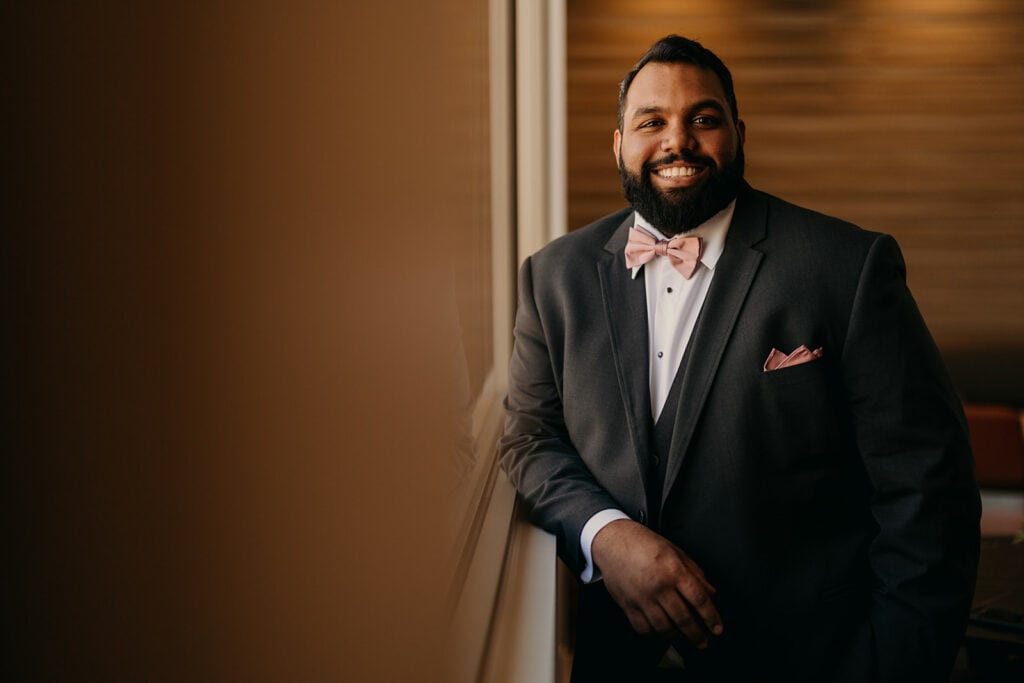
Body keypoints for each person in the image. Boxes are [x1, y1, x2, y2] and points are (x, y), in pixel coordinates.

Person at [499, 35, 980, 682]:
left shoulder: (844, 268)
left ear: (737, 132)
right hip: (618, 660)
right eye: (652, 122)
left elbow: (929, 491)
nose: (679, 140)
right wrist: (604, 533)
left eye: (703, 118)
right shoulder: (552, 278)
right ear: (617, 143)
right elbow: (529, 436)